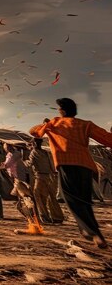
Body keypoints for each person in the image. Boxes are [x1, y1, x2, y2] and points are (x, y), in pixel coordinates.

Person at [30, 98, 112, 249]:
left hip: (67, 164)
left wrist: (45, 124)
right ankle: (94, 233)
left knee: (71, 199)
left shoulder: (54, 123)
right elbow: (107, 139)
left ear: (62, 110)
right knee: (84, 201)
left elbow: (34, 132)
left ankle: (90, 232)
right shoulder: (85, 124)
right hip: (86, 166)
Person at [25, 138, 64, 224]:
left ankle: (44, 216)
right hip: (50, 176)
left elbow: (30, 164)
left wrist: (24, 162)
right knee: (51, 196)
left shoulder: (33, 153)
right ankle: (57, 216)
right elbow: (51, 165)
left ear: (34, 143)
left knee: (38, 196)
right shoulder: (46, 152)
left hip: (40, 176)